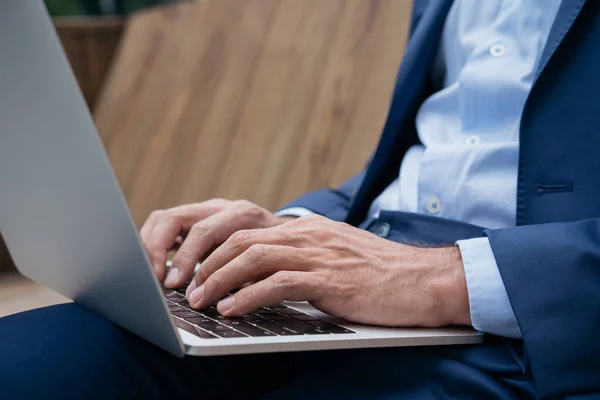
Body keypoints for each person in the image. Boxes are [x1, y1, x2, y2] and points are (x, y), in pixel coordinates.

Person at [2, 0, 599, 398]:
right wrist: (290, 228)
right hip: (344, 296)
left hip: (526, 335)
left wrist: (444, 278)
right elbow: (431, 160)